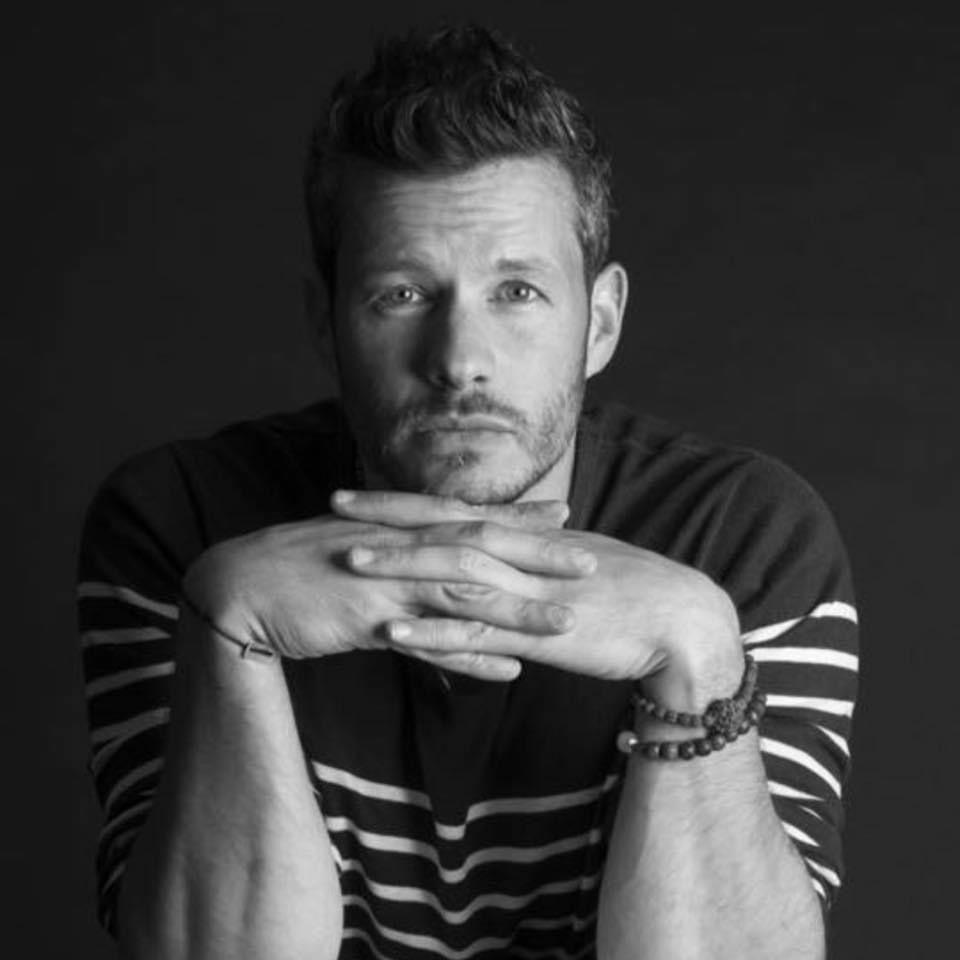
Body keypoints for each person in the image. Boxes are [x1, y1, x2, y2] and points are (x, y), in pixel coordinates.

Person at [77, 24, 858, 960]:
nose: (460, 361)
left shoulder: (746, 538)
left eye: (517, 292)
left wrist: (696, 653)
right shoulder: (178, 525)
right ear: (326, 323)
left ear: (600, 321)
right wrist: (230, 627)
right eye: (402, 294)